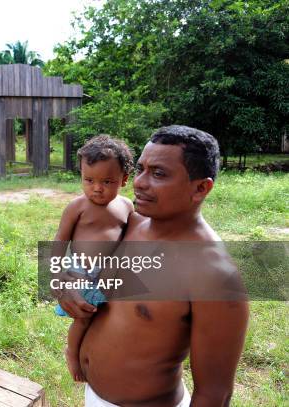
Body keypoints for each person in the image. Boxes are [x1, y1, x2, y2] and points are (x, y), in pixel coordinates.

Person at [58, 125, 249, 406]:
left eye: (158, 173)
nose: (139, 182)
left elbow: (214, 394)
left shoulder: (215, 277)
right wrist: (62, 283)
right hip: (93, 395)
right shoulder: (130, 224)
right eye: (141, 169)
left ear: (200, 188)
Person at [53, 135, 134, 382]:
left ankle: (105, 352)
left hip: (110, 274)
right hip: (81, 272)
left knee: (111, 318)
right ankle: (72, 353)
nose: (97, 188)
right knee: (83, 318)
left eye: (107, 181)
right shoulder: (77, 207)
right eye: (89, 180)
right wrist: (57, 275)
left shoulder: (127, 206)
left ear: (124, 180)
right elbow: (59, 242)